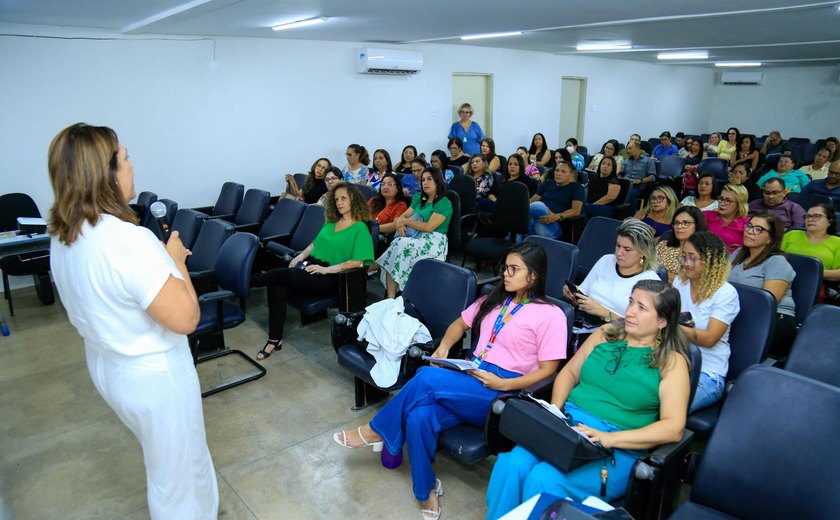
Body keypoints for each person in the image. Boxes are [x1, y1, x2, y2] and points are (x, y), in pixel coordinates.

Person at [47, 123, 218, 518]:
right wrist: (174, 262)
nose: (132, 167)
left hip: (111, 365)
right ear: (102, 175)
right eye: (125, 159)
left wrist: (157, 262)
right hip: (155, 376)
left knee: (174, 461)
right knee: (175, 478)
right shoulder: (126, 240)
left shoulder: (64, 233)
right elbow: (187, 318)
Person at [335, 242, 567, 520]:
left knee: (426, 377)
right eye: (505, 266)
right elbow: (459, 324)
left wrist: (506, 385)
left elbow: (549, 370)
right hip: (472, 376)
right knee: (420, 416)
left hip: (506, 393)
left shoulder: (551, 314)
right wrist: (443, 347)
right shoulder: (494, 298)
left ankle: (377, 431)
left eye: (514, 269)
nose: (505, 273)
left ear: (533, 276)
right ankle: (426, 489)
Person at [485, 279, 690, 516]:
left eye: (642, 308)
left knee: (544, 480)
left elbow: (673, 427)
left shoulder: (671, 362)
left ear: (662, 321)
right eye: (631, 302)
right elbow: (569, 372)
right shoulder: (607, 333)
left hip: (615, 446)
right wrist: (556, 411)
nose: (630, 311)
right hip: (568, 428)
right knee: (512, 465)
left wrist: (608, 438)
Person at [253, 182, 374, 359]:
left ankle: (253, 281)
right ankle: (274, 339)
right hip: (312, 267)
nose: (339, 203)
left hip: (333, 277)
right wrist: (299, 257)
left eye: (343, 199)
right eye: (336, 199)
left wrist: (326, 270)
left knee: (283, 275)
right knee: (277, 286)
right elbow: (314, 244)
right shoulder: (332, 222)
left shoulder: (360, 228)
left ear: (354, 200)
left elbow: (358, 262)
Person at [672, 232, 740, 413]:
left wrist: (669, 325)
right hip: (675, 360)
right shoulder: (681, 282)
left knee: (668, 407)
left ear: (710, 261)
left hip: (707, 372)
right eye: (684, 257)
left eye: (693, 258)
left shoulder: (726, 293)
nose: (686, 263)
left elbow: (710, 338)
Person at [563, 219, 661, 323]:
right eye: (618, 245)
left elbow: (643, 326)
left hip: (616, 333)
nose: (619, 253)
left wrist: (604, 313)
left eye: (627, 249)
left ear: (644, 252)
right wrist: (573, 297)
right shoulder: (606, 260)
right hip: (583, 322)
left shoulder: (651, 282)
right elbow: (583, 295)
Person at [729, 213, 797, 358]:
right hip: (739, 312)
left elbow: (767, 304)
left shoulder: (777, 262)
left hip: (774, 319)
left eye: (759, 229)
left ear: (770, 238)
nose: (750, 231)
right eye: (749, 226)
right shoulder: (737, 254)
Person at [378, 167, 453, 298]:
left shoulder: (444, 203)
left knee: (399, 244)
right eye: (423, 180)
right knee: (398, 243)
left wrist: (404, 222)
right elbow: (401, 217)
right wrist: (401, 222)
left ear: (438, 181)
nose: (425, 183)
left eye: (429, 179)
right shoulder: (419, 198)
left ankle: (394, 295)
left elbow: (429, 227)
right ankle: (390, 299)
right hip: (415, 236)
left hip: (434, 241)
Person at [782, 203, 840, 285]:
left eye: (817, 216)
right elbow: (773, 255)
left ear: (829, 221)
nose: (810, 219)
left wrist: (812, 272)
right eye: (808, 216)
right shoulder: (792, 234)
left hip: (816, 284)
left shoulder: (837, 242)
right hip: (782, 278)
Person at [528, 161, 584, 238]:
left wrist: (557, 217)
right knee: (515, 236)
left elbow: (576, 210)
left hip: (555, 227)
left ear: (571, 175)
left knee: (539, 206)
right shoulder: (548, 183)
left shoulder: (577, 188)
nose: (558, 173)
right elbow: (532, 200)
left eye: (563, 171)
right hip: (536, 222)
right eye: (557, 170)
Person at [656, 206, 708, 282]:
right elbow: (648, 267)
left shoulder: (702, 253)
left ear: (697, 225)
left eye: (685, 223)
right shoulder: (663, 245)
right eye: (676, 222)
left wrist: (663, 275)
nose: (679, 226)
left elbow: (692, 282)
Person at [704, 184, 750, 253]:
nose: (722, 203)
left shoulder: (747, 224)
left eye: (728, 201)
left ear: (739, 204)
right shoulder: (705, 215)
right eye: (721, 199)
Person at [368, 172, 410, 237]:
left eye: (390, 185)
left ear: (398, 188)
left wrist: (374, 228)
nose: (385, 187)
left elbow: (395, 225)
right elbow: (363, 212)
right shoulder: (374, 200)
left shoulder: (401, 205)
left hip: (380, 236)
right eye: (383, 184)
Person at [621, 141, 657, 211]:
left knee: (630, 193)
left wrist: (640, 181)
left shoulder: (648, 161)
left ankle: (631, 214)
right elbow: (621, 174)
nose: (628, 151)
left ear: (638, 148)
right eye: (627, 149)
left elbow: (653, 177)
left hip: (638, 187)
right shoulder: (626, 161)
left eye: (630, 148)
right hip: (626, 185)